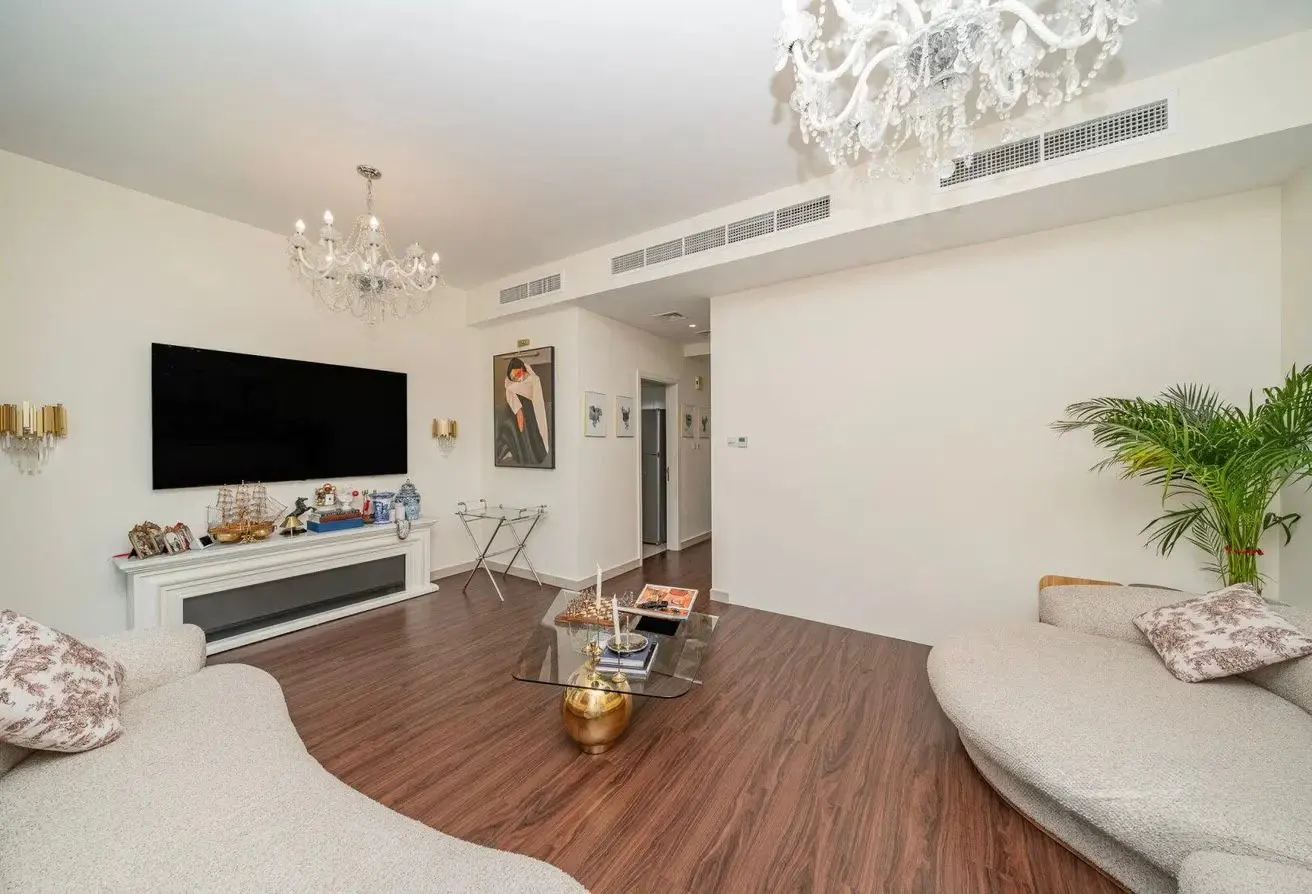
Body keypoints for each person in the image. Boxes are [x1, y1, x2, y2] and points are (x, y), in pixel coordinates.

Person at [496, 357, 551, 466]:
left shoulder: (532, 380)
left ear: (522, 369)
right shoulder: (511, 385)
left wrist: (520, 418)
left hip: (530, 416)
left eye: (517, 374)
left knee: (531, 438)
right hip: (519, 417)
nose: (515, 378)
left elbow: (530, 403)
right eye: (513, 377)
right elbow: (517, 411)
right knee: (507, 431)